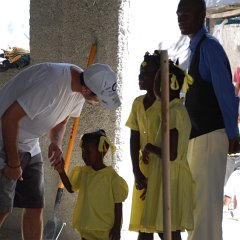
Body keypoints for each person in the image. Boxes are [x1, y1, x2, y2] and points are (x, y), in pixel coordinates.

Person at [0, 62, 121, 240]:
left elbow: (62, 121)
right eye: (99, 99)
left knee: (34, 206)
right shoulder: (51, 84)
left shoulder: (80, 88)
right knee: (2, 207)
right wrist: (13, 163)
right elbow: (9, 119)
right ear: (88, 90)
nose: (97, 103)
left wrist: (56, 143)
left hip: (29, 143)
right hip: (4, 137)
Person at [176, 0, 239, 239]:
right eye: (178, 14)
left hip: (211, 137)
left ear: (202, 15)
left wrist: (233, 134)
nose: (181, 18)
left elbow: (226, 95)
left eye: (186, 14)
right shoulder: (193, 48)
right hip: (197, 138)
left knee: (205, 211)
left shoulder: (209, 47)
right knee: (195, 207)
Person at [54, 129, 128, 240]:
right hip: (86, 228)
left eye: (88, 151)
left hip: (105, 231)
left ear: (102, 150)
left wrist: (117, 229)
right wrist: (61, 171)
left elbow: (118, 205)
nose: (84, 155)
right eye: (83, 151)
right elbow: (70, 188)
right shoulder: (83, 172)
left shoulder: (112, 178)